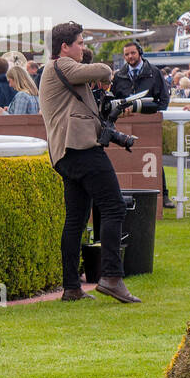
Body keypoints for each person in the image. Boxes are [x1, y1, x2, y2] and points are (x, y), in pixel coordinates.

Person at [38, 21, 140, 304]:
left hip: (66, 153)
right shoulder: (62, 66)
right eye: (81, 43)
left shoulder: (58, 71)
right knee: (113, 206)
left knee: (76, 220)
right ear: (64, 47)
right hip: (80, 149)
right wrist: (104, 76)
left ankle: (72, 287)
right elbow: (104, 70)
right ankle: (110, 277)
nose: (84, 48)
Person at [109, 41, 171, 205]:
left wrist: (147, 110)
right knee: (127, 157)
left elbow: (164, 99)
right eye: (127, 54)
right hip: (125, 122)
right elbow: (113, 100)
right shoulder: (119, 75)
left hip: (149, 123)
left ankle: (163, 195)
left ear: (140, 53)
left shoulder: (154, 73)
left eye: (133, 53)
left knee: (154, 157)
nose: (130, 57)